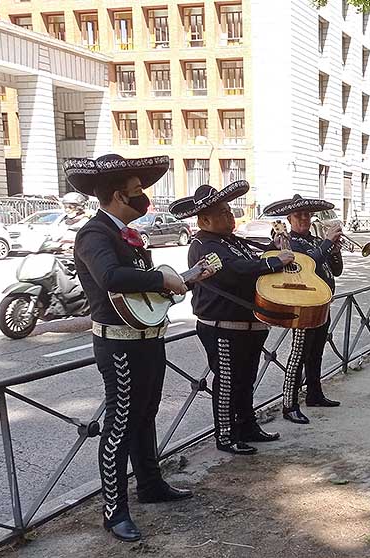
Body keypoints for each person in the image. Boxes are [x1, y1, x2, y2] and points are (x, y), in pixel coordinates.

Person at [66, 154, 192, 542]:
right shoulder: (94, 233)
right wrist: (161, 280)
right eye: (137, 190)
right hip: (119, 345)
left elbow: (139, 291)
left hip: (148, 339)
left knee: (146, 415)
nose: (143, 196)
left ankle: (150, 485)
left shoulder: (127, 234)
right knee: (120, 424)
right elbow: (111, 277)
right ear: (120, 195)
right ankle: (114, 511)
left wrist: (170, 283)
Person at [171, 181, 288, 456]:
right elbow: (234, 270)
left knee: (246, 381)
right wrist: (273, 262)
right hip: (223, 327)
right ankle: (225, 435)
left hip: (249, 324)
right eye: (223, 213)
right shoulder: (202, 245)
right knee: (227, 383)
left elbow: (250, 261)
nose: (230, 216)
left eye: (229, 210)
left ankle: (247, 427)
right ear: (204, 220)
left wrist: (273, 249)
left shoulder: (230, 241)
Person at [263, 195, 344, 424]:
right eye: (298, 215)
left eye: (307, 215)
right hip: (303, 306)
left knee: (316, 352)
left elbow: (336, 270)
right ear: (289, 219)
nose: (303, 219)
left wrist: (334, 250)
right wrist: (327, 244)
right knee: (298, 354)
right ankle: (289, 405)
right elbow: (306, 265)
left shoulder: (317, 241)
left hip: (322, 303)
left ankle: (314, 394)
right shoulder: (290, 243)